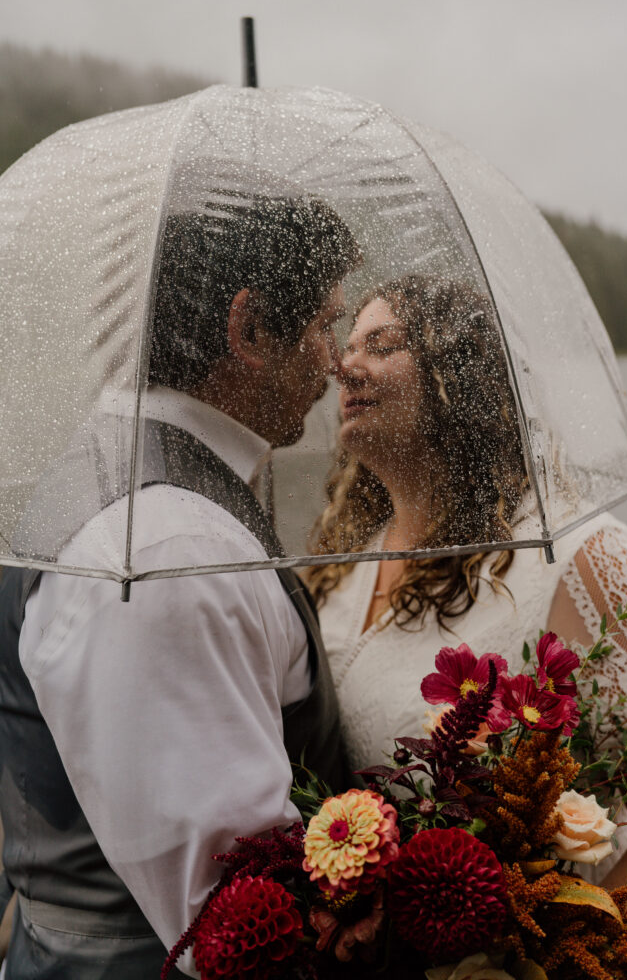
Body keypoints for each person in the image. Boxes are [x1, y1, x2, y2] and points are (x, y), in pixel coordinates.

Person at [0, 192, 360, 977]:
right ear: (250, 330)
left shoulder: (120, 468)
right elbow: (233, 927)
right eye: (326, 324)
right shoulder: (173, 549)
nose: (337, 363)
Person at [308, 273, 627, 891]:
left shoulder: (580, 561)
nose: (346, 367)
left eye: (382, 345)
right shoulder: (339, 569)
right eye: (347, 347)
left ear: (460, 372)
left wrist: (561, 947)